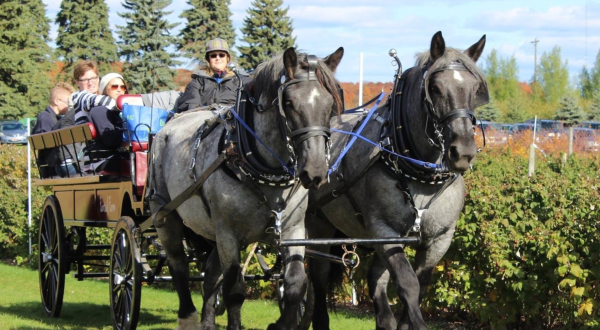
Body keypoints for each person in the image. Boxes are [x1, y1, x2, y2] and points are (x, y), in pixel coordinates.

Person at [177, 38, 250, 113]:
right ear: (208, 60)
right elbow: (191, 101)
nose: (218, 58)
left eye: (222, 55)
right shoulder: (198, 81)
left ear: (228, 58)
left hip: (234, 119)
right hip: (205, 119)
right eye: (213, 56)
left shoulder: (241, 80)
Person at [84, 73, 128, 174]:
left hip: (117, 156)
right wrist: (132, 132)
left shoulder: (122, 111)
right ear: (104, 89)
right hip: (103, 160)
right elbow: (110, 139)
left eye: (123, 87)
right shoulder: (99, 111)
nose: (119, 89)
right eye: (114, 86)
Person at [67, 60, 118, 124]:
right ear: (77, 82)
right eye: (85, 80)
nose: (90, 83)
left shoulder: (101, 95)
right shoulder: (78, 97)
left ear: (98, 78)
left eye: (93, 78)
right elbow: (98, 101)